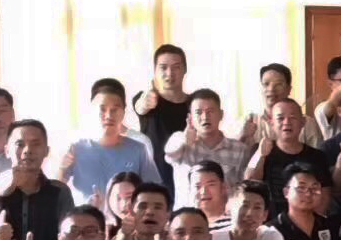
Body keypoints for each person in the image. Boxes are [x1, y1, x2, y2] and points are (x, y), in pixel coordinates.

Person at [62, 79, 165, 204]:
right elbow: (56, 190)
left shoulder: (139, 148)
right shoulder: (76, 147)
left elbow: (154, 192)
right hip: (85, 215)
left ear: (123, 111)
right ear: (92, 110)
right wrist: (62, 170)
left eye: (114, 109)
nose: (109, 116)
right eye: (102, 109)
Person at [0, 120, 76, 240]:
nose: (28, 150)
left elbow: (67, 238)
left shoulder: (59, 192)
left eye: (36, 144)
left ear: (46, 151)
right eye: (20, 144)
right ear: (7, 150)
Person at [243, 99, 321, 216]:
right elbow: (249, 182)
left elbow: (323, 196)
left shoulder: (317, 156)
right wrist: (261, 155)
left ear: (303, 122)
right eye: (280, 118)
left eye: (293, 118)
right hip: (268, 221)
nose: (287, 122)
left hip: (306, 219)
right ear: (271, 123)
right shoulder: (259, 150)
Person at [132, 44, 193, 195]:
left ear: (185, 69)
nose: (169, 73)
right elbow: (140, 107)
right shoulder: (148, 100)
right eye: (163, 68)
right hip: (154, 184)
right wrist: (146, 101)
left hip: (190, 183)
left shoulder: (195, 104)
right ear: (155, 71)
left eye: (176, 67)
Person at [163, 88, 253, 190]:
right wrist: (185, 140)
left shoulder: (239, 149)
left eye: (210, 111)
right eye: (198, 112)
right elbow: (169, 153)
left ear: (221, 114)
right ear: (190, 118)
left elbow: (244, 186)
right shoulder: (181, 144)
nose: (205, 117)